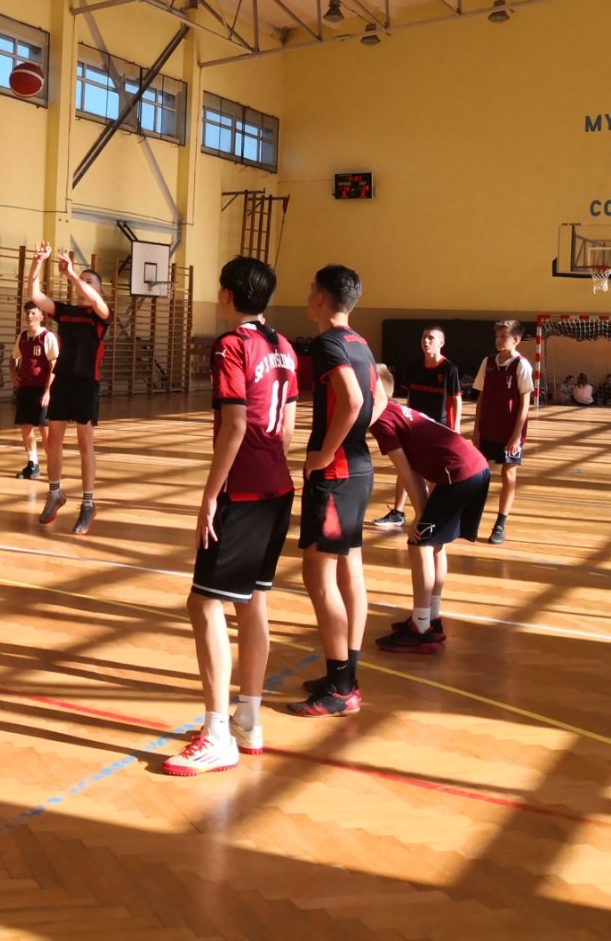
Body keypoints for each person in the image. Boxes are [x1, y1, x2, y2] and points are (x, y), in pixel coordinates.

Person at [164, 257, 297, 777]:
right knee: (253, 601)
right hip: (278, 486)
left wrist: (209, 497)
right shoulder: (284, 346)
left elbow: (236, 424)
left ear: (227, 294)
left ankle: (217, 733)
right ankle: (249, 719)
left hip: (241, 491)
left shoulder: (231, 346)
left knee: (204, 604)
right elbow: (287, 429)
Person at [288, 264, 376, 718]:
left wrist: (325, 453)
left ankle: (340, 688)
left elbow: (355, 401)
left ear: (321, 297)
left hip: (337, 473)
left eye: (310, 290)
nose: (308, 296)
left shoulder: (328, 344)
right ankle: (346, 676)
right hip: (360, 469)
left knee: (318, 577)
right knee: (350, 573)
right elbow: (378, 400)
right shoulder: (361, 343)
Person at [367, 365, 490, 655]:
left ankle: (420, 629)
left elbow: (406, 472)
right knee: (434, 544)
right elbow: (416, 470)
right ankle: (431, 618)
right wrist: (422, 512)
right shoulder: (395, 411)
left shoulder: (382, 421)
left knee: (419, 543)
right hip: (474, 467)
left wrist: (421, 514)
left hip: (460, 473)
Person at [27, 241, 111, 536]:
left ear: (97, 290)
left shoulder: (101, 314)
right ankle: (55, 493)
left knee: (85, 443)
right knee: (54, 441)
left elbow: (94, 299)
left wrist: (73, 275)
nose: (83, 284)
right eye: (81, 280)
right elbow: (34, 295)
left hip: (87, 383)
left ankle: (88, 503)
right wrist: (38, 262)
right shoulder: (64, 311)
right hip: (63, 380)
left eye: (89, 281)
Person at [373, 327, 461, 530]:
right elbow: (410, 397)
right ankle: (398, 512)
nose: (426, 341)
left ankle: (430, 513)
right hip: (413, 428)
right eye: (424, 337)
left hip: (438, 430)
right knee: (406, 467)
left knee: (434, 473)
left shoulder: (449, 369)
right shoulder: (413, 367)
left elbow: (456, 400)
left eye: (431, 338)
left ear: (441, 343)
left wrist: (455, 429)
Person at [471, 320, 533, 545]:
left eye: (503, 336)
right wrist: (476, 428)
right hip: (487, 428)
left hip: (509, 432)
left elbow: (525, 403)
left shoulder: (522, 365)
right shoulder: (487, 362)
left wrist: (517, 435)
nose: (498, 340)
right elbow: (481, 398)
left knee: (508, 474)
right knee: (477, 474)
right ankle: (471, 518)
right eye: (497, 336)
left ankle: (500, 524)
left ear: (516, 340)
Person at [8, 300, 58, 479]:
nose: (29, 316)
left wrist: (48, 392)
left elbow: (54, 364)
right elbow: (13, 357)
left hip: (42, 388)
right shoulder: (22, 337)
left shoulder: (47, 337)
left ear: (41, 316)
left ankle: (52, 465)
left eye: (33, 313)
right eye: (27, 313)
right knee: (25, 426)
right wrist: (13, 373)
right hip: (25, 387)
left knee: (44, 428)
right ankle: (33, 464)